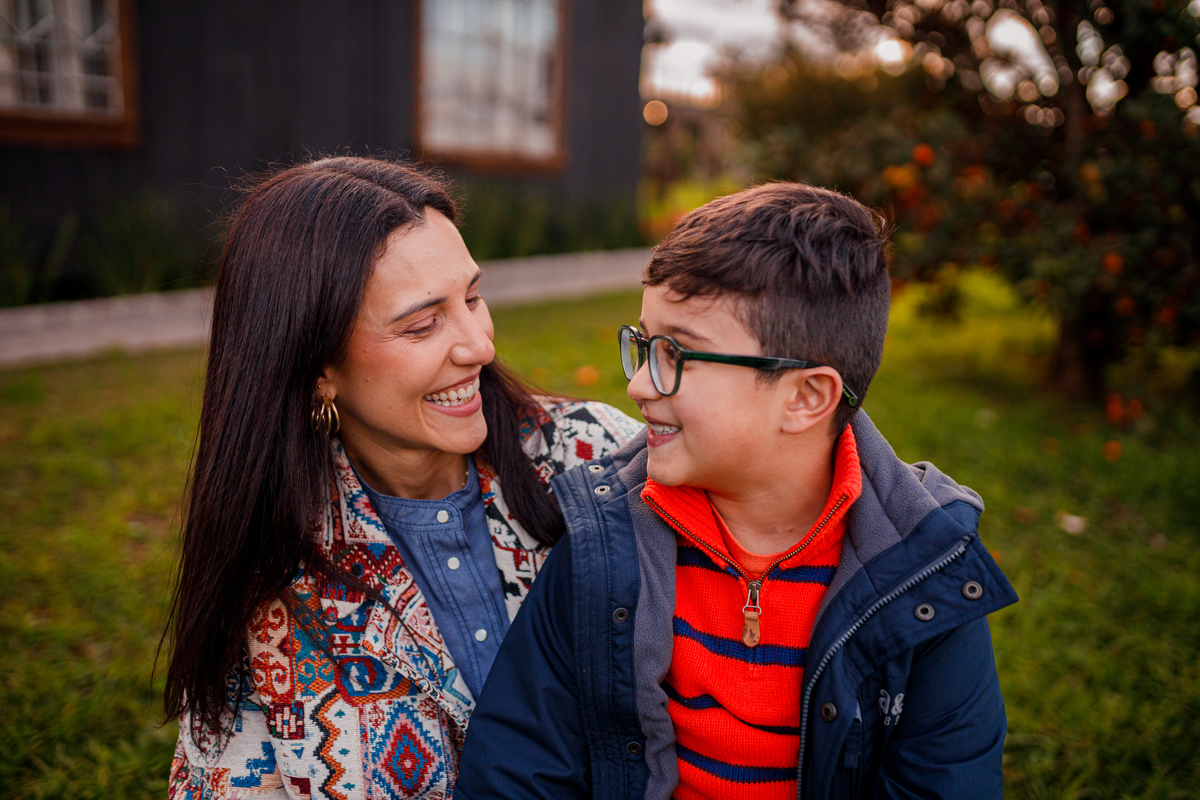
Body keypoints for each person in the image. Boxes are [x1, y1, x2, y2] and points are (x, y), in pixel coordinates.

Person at [456, 182, 1018, 799]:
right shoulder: (608, 542)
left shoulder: (924, 572)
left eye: (678, 353)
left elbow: (943, 784)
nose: (641, 384)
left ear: (805, 397)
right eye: (643, 345)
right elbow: (517, 764)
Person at [162, 156, 641, 799]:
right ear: (316, 367)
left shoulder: (599, 457)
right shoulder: (267, 577)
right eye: (422, 324)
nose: (479, 345)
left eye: (473, 297)